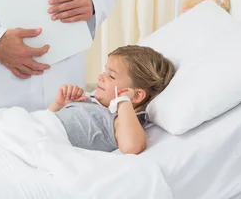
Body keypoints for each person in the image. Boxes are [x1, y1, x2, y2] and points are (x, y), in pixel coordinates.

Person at [47, 45, 176, 154]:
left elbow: (132, 146)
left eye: (111, 76)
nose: (100, 77)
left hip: (44, 143)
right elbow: (46, 121)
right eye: (105, 71)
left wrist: (124, 102)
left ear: (136, 96)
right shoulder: (88, 101)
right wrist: (58, 105)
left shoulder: (118, 120)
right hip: (36, 129)